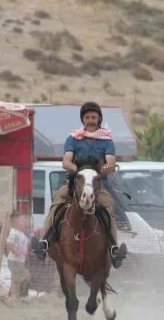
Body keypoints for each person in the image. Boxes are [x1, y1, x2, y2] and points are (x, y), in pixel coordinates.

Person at [31, 101, 128, 268]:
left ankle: (113, 248)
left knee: (108, 207)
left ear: (99, 119)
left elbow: (111, 161)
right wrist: (78, 171)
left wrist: (104, 168)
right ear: (83, 120)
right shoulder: (73, 138)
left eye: (93, 117)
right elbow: (66, 161)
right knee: (57, 203)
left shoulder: (106, 140)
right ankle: (44, 243)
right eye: (87, 117)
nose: (90, 120)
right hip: (75, 181)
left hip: (97, 183)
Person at [7, 212, 30, 298]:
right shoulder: (14, 232)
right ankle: (14, 297)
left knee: (18, 278)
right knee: (16, 279)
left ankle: (16, 296)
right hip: (15, 260)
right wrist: (16, 251)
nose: (24, 222)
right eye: (22, 220)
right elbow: (9, 243)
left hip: (20, 260)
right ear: (16, 222)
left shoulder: (21, 232)